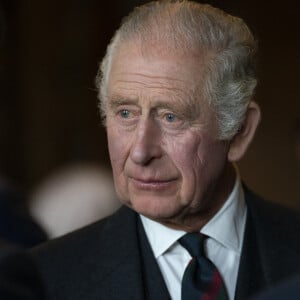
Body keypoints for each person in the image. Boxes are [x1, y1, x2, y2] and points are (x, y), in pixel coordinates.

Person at [30, 1, 300, 300]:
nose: (140, 153)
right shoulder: (42, 281)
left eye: (171, 117)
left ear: (239, 132)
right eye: (125, 114)